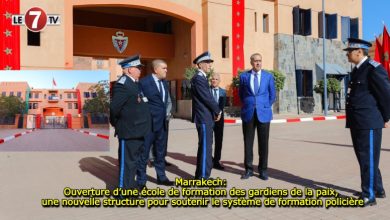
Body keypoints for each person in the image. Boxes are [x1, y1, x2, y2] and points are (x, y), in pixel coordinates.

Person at [344, 38, 390, 206]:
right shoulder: (357, 70)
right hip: (358, 122)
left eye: (349, 51)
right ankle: (377, 189)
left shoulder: (373, 69)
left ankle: (368, 195)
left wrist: (386, 117)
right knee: (367, 158)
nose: (347, 54)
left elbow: (386, 95)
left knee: (367, 159)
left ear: (359, 52)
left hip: (368, 122)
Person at [109, 54, 151, 191]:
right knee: (127, 163)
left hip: (138, 130)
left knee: (133, 162)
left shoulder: (134, 83)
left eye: (140, 67)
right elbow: (114, 108)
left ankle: (130, 187)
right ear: (128, 69)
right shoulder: (123, 84)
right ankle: (123, 192)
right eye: (137, 67)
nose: (140, 69)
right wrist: (119, 125)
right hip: (128, 131)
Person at [239, 53, 276, 180]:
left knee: (263, 143)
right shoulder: (244, 76)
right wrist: (249, 104)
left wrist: (265, 105)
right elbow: (241, 95)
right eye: (255, 61)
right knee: (248, 143)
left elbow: (272, 95)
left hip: (264, 113)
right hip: (248, 112)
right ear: (251, 62)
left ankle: (263, 170)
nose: (258, 63)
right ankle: (248, 170)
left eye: (260, 61)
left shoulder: (268, 76)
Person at [138, 59, 174, 187]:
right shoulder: (144, 82)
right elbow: (140, 102)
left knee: (160, 153)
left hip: (162, 125)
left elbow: (165, 101)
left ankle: (161, 177)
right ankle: (141, 181)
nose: (166, 70)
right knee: (144, 153)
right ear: (156, 69)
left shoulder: (164, 82)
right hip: (149, 125)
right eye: (164, 68)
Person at [191, 51, 222, 179]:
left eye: (210, 63)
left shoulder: (201, 78)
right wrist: (218, 110)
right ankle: (203, 177)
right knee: (205, 148)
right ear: (200, 64)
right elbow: (207, 98)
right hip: (204, 118)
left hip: (205, 117)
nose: (210, 65)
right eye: (207, 63)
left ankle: (201, 175)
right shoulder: (199, 78)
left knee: (205, 147)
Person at [210, 72, 227, 170]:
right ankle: (209, 159)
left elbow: (222, 104)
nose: (214, 80)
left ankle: (217, 160)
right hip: (209, 117)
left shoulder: (223, 92)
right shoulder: (207, 90)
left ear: (219, 81)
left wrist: (219, 114)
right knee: (209, 140)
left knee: (219, 140)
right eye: (212, 79)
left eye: (216, 79)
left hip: (220, 118)